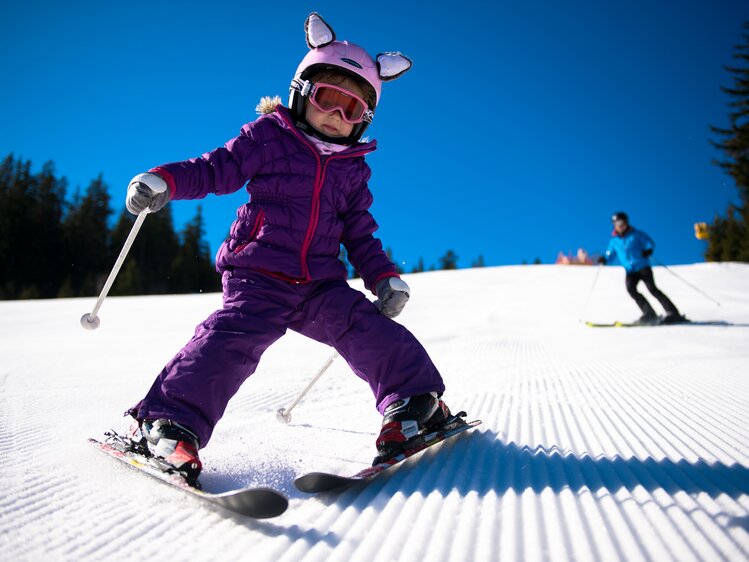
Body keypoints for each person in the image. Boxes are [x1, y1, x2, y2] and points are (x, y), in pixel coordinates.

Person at [120, 13, 456, 483]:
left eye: (353, 109)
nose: (338, 116)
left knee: (366, 328)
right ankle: (168, 426)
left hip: (318, 284)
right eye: (328, 99)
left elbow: (359, 232)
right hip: (258, 274)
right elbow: (216, 168)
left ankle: (415, 406)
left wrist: (383, 277)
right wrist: (166, 180)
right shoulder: (269, 138)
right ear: (302, 93)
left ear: (365, 120)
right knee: (232, 341)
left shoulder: (353, 171)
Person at [597, 212, 684, 325]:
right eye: (617, 223)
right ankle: (649, 314)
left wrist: (648, 250)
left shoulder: (636, 234)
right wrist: (605, 259)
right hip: (630, 271)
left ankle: (673, 312)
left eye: (622, 222)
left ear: (626, 222)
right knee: (631, 290)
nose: (620, 225)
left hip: (642, 267)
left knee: (652, 289)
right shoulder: (614, 241)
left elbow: (649, 243)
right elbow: (610, 255)